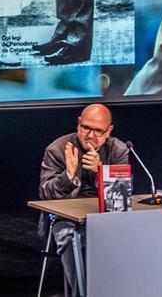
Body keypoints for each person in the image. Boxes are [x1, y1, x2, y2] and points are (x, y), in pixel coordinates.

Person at [38, 104, 129, 297]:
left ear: (109, 131)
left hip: (105, 217)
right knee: (70, 238)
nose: (91, 135)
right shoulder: (57, 149)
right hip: (64, 218)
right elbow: (46, 195)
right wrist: (68, 176)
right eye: (86, 127)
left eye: (98, 131)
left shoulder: (118, 149)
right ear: (79, 123)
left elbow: (121, 198)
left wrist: (101, 171)